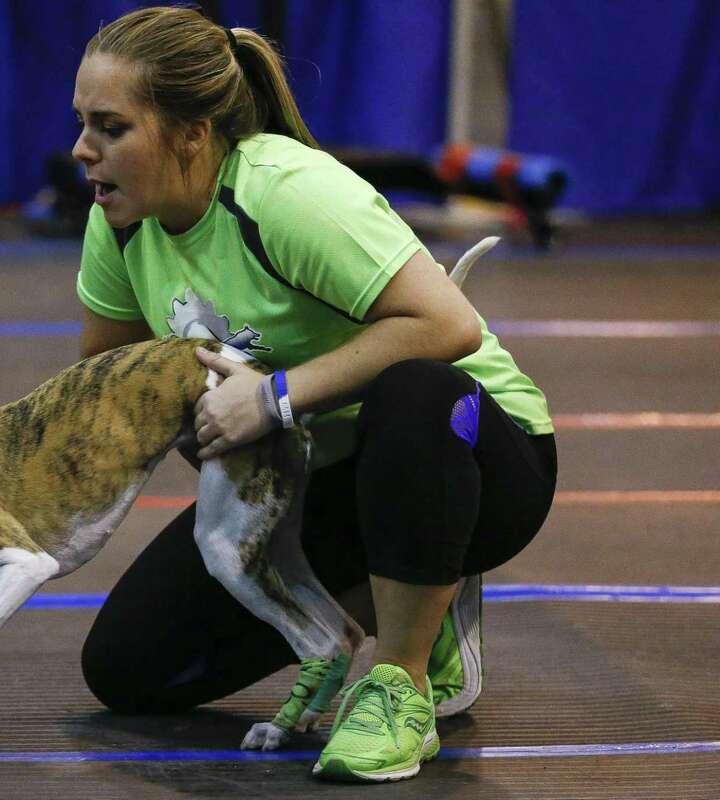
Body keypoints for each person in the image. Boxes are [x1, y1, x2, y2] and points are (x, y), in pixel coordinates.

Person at [71, 6, 556, 784]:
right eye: (82, 124)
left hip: (473, 454)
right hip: (318, 479)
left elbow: (449, 325)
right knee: (127, 670)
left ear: (192, 134)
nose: (82, 149)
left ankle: (402, 680)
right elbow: (111, 369)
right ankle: (418, 587)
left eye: (111, 127)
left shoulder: (286, 191)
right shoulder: (123, 216)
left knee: (414, 390)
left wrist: (272, 399)